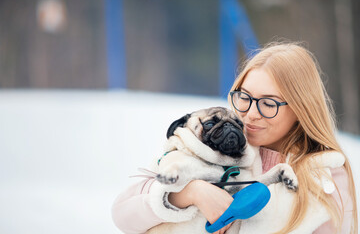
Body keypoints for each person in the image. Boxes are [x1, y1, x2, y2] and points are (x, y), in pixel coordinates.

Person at [111, 42, 358, 234]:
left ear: (301, 109)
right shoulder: (215, 148)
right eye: (245, 97)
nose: (250, 114)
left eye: (268, 104)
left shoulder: (323, 175)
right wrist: (190, 192)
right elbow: (123, 212)